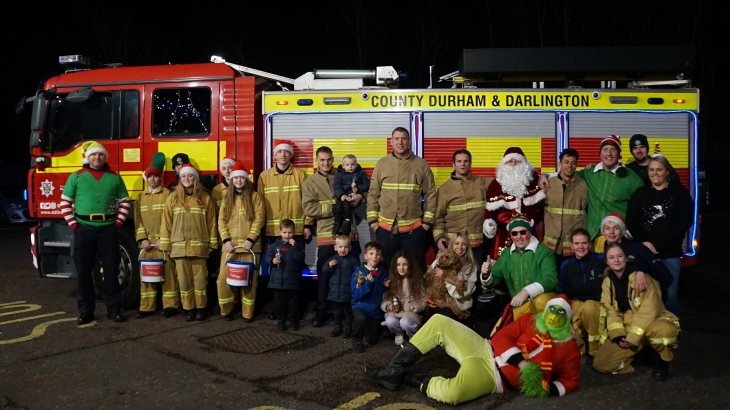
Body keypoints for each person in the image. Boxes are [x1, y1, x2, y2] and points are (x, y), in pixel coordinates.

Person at [361, 295, 581, 405]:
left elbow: (571, 379)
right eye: (551, 311)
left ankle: (410, 378)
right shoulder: (531, 319)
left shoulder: (569, 349)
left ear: (567, 321)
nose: (552, 317)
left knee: (452, 395)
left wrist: (546, 388)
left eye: (559, 316)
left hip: (493, 378)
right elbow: (503, 336)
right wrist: (521, 364)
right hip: (483, 347)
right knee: (439, 321)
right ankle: (393, 370)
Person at [59, 141, 131, 324]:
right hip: (84, 229)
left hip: (108, 230)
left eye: (100, 155)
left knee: (111, 270)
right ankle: (86, 311)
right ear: (87, 157)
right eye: (93, 155)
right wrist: (75, 226)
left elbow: (124, 201)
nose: (96, 158)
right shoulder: (76, 177)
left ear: (104, 157)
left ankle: (114, 310)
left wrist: (118, 224)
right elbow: (64, 203)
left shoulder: (115, 177)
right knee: (84, 272)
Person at [592, 242, 680, 381]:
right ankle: (638, 354)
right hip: (628, 326)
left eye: (620, 256)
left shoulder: (643, 278)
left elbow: (648, 311)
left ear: (626, 258)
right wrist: (619, 336)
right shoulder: (607, 282)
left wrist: (633, 338)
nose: (616, 260)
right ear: (607, 261)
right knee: (601, 365)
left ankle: (663, 360)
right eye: (612, 257)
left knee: (662, 330)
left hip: (650, 322)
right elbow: (610, 311)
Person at [539, 135, 643, 243]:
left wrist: (632, 232)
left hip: (619, 237)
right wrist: (545, 175)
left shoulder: (631, 178)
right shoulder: (589, 173)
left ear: (618, 153)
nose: (609, 153)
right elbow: (567, 174)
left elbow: (644, 207)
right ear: (600, 153)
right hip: (593, 237)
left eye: (613, 150)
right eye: (605, 149)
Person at [302, 146, 362, 328]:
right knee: (325, 278)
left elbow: (361, 191)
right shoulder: (310, 182)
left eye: (328, 159)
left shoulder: (344, 175)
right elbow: (308, 208)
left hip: (349, 236)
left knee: (352, 277)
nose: (326, 163)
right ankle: (322, 312)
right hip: (327, 239)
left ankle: (352, 312)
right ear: (316, 161)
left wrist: (359, 195)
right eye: (322, 160)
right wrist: (335, 207)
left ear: (333, 158)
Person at [626, 155, 693, 314]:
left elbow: (685, 222)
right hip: (644, 252)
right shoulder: (640, 193)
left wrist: (660, 244)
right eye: (651, 170)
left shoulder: (680, 193)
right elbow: (631, 222)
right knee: (645, 294)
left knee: (669, 295)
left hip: (670, 253)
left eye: (659, 169)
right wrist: (645, 243)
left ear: (667, 172)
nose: (655, 173)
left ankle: (671, 331)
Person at [367, 127, 436, 269]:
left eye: (404, 138)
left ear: (409, 141)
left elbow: (431, 195)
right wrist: (374, 223)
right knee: (387, 272)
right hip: (386, 231)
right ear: (391, 142)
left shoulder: (421, 164)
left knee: (416, 271)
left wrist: (426, 225)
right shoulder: (382, 164)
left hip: (414, 232)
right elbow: (373, 193)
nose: (400, 142)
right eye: (397, 139)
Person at [159, 164, 218, 321]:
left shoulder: (205, 197)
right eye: (184, 176)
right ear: (180, 178)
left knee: (200, 280)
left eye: (190, 176)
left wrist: (212, 243)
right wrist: (166, 246)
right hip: (179, 248)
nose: (187, 179)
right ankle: (188, 309)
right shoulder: (173, 198)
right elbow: (166, 223)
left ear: (196, 178)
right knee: (184, 281)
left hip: (199, 247)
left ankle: (201, 308)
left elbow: (212, 222)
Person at [482, 213, 558, 320]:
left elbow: (551, 279)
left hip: (543, 307)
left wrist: (526, 291)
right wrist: (486, 274)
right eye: (514, 233)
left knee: (541, 302)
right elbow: (493, 281)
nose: (518, 237)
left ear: (530, 232)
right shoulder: (506, 255)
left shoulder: (544, 252)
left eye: (523, 232)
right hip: (520, 308)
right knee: (498, 333)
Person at [134, 152, 180, 319]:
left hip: (163, 243)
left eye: (155, 176)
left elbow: (171, 220)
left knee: (168, 275)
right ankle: (146, 307)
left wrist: (163, 239)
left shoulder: (168, 195)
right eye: (150, 176)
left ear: (160, 177)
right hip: (146, 244)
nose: (153, 179)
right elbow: (138, 221)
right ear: (146, 178)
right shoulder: (140, 197)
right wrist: (142, 239)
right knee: (147, 277)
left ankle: (170, 305)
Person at [217, 162, 265, 322]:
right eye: (235, 177)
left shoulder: (255, 197)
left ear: (246, 179)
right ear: (231, 180)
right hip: (230, 248)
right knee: (223, 280)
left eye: (241, 177)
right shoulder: (226, 198)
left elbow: (259, 220)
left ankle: (247, 314)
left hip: (249, 247)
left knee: (249, 283)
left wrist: (251, 239)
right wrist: (226, 241)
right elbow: (221, 221)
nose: (238, 180)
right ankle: (226, 311)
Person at [483, 147, 546, 260]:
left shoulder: (535, 181)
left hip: (529, 233)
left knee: (531, 264)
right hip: (504, 234)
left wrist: (544, 175)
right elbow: (490, 211)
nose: (514, 164)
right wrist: (489, 222)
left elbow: (541, 208)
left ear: (525, 164)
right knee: (503, 266)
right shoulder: (495, 185)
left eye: (518, 161)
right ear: (504, 164)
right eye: (510, 161)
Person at [595, 213, 672, 302]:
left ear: (622, 230)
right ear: (603, 231)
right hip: (619, 302)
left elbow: (664, 275)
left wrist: (655, 298)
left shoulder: (638, 249)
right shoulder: (601, 252)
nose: (611, 232)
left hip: (642, 301)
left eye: (616, 228)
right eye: (607, 228)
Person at [433, 149, 492, 264]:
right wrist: (439, 237)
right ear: (453, 164)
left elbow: (502, 182)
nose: (462, 164)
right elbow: (438, 217)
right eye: (459, 161)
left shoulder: (481, 183)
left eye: (466, 161)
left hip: (477, 245)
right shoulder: (444, 189)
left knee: (475, 278)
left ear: (470, 163)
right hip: (453, 246)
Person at [559, 228, 605, 361]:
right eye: (577, 243)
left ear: (589, 244)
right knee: (573, 339)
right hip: (577, 303)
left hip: (598, 304)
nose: (581, 247)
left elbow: (621, 261)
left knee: (589, 307)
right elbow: (563, 292)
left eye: (584, 243)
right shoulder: (566, 265)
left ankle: (595, 350)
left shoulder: (601, 259)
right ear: (572, 246)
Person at [258, 141, 312, 247]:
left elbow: (308, 201)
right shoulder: (264, 177)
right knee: (275, 261)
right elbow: (259, 204)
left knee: (295, 261)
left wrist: (308, 225)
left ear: (291, 155)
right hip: (273, 231)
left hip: (296, 231)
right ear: (275, 154)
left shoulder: (300, 175)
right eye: (280, 151)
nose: (283, 154)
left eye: (286, 151)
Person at [543, 148, 588, 274]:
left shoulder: (584, 185)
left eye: (573, 163)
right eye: (566, 162)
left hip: (575, 247)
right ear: (560, 164)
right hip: (552, 246)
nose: (570, 166)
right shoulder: (548, 184)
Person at [425, 233, 479, 322]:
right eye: (456, 243)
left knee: (442, 315)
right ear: (452, 245)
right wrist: (428, 300)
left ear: (467, 247)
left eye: (464, 244)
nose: (460, 247)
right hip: (437, 302)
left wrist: (444, 277)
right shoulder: (441, 259)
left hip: (459, 308)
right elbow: (426, 279)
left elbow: (462, 293)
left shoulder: (471, 267)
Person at [265, 219, 305, 331]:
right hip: (277, 281)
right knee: (279, 303)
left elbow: (300, 258)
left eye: (290, 232)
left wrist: (295, 246)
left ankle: (293, 320)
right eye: (284, 232)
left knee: (293, 303)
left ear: (294, 233)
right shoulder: (274, 246)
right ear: (280, 232)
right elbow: (267, 257)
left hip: (292, 281)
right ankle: (281, 321)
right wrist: (272, 261)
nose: (287, 235)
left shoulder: (297, 245)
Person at [381, 250, 427, 345]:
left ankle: (412, 334)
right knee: (389, 320)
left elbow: (423, 299)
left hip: (410, 314)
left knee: (405, 322)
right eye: (398, 265)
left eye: (405, 264)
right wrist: (388, 306)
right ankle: (399, 333)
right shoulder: (391, 279)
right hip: (396, 312)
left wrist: (415, 307)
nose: (401, 268)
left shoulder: (417, 279)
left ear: (410, 265)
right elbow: (386, 298)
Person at [351, 241, 390, 353]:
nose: (374, 256)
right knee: (360, 319)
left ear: (381, 258)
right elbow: (356, 295)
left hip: (374, 309)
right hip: (360, 306)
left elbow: (378, 292)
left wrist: (384, 287)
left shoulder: (383, 272)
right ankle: (356, 339)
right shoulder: (359, 272)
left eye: (377, 254)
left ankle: (368, 328)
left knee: (372, 340)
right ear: (365, 256)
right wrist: (368, 283)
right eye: (371, 253)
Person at [322, 235, 361, 338]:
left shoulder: (353, 261)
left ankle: (348, 328)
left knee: (348, 312)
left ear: (350, 248)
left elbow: (359, 273)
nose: (343, 249)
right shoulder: (332, 259)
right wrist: (329, 266)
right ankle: (337, 327)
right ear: (335, 248)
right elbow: (324, 270)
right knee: (337, 312)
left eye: (346, 247)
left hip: (348, 293)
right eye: (340, 247)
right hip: (335, 293)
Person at [332, 154, 370, 235]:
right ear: (343, 166)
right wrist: (341, 195)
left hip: (355, 197)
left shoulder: (361, 173)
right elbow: (337, 186)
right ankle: (337, 224)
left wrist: (358, 189)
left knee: (349, 209)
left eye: (352, 164)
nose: (350, 167)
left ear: (356, 165)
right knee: (338, 208)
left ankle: (346, 224)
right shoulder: (339, 175)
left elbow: (367, 184)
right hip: (343, 196)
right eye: (347, 165)